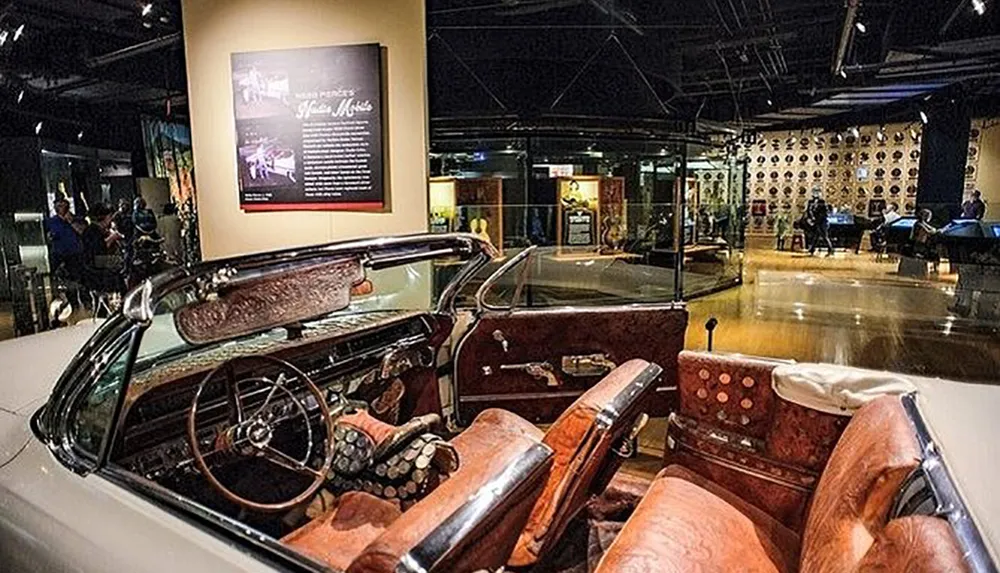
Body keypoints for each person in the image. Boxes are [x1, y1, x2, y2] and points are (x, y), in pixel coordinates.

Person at [81, 202, 125, 292]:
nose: (111, 219)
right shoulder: (92, 231)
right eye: (109, 217)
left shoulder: (97, 230)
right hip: (96, 268)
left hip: (97, 264)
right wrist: (112, 238)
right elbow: (99, 250)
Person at [44, 197, 84, 278]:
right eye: (58, 205)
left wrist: (71, 221)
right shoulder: (50, 221)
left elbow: (83, 232)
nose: (61, 207)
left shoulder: (77, 219)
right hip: (58, 254)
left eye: (63, 205)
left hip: (75, 254)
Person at [806, 190, 834, 256]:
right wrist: (811, 218)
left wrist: (816, 218)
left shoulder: (822, 202)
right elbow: (809, 211)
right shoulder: (810, 202)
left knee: (824, 236)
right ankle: (812, 250)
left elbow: (825, 213)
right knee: (816, 236)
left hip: (823, 222)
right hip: (816, 222)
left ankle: (831, 250)